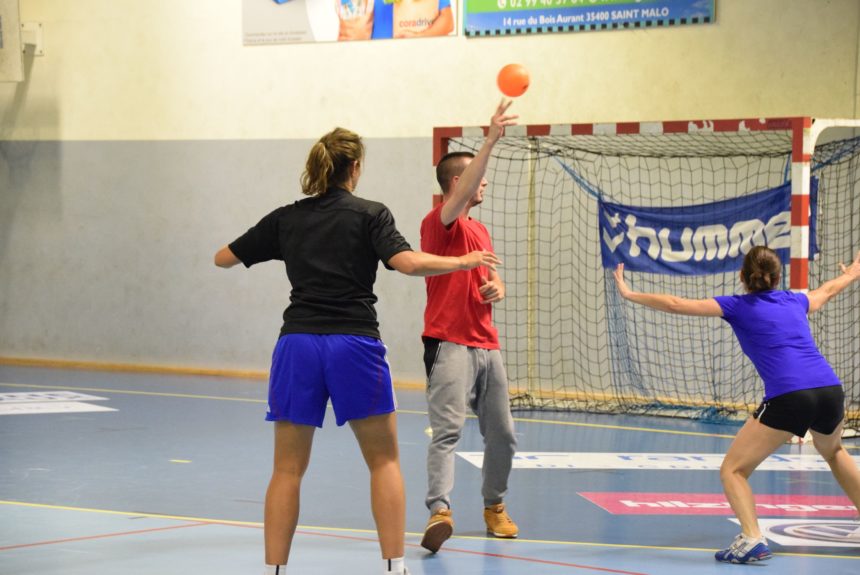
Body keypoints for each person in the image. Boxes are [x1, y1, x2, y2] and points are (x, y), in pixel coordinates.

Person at [214, 127, 501, 575]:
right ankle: (394, 567)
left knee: (286, 470)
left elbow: (223, 257)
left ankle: (274, 570)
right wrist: (462, 262)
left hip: (297, 345)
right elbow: (407, 263)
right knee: (383, 461)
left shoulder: (286, 218)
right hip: (354, 344)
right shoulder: (370, 214)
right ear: (355, 168)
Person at [613, 245, 860, 564]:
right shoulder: (795, 301)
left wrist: (630, 293)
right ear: (778, 277)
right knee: (834, 452)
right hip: (829, 389)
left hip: (790, 396)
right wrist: (852, 274)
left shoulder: (736, 306)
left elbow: (676, 304)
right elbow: (827, 290)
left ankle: (752, 538)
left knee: (733, 469)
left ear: (743, 276)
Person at [418, 100, 520, 554]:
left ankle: (494, 505)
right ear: (458, 184)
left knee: (503, 433)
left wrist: (497, 286)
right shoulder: (439, 222)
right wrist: (490, 140)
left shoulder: (480, 230)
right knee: (448, 431)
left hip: (486, 345)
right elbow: (461, 194)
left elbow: (490, 275)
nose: (486, 184)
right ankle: (439, 512)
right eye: (478, 178)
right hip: (449, 343)